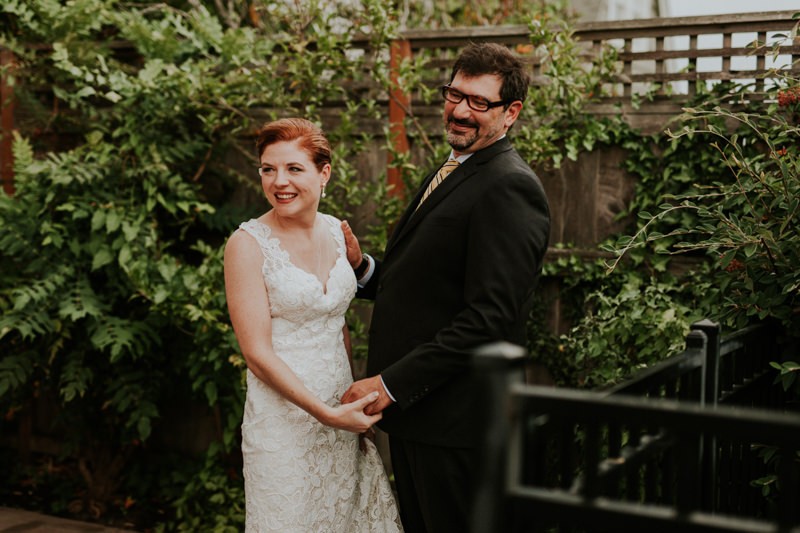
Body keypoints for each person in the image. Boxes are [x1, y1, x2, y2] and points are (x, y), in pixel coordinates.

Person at [340, 42, 551, 533]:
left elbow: (489, 318)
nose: (459, 110)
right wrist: (364, 268)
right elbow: (428, 286)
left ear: (510, 112)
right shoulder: (457, 166)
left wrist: (391, 384)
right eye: (454, 94)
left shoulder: (508, 186)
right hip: (424, 418)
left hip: (458, 426)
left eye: (479, 102)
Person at [224, 117, 403, 532]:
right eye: (268, 169)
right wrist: (326, 414)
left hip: (341, 412)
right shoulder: (247, 245)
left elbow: (336, 322)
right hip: (284, 421)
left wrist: (351, 400)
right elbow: (256, 353)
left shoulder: (337, 232)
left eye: (293, 169)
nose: (278, 182)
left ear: (324, 173)